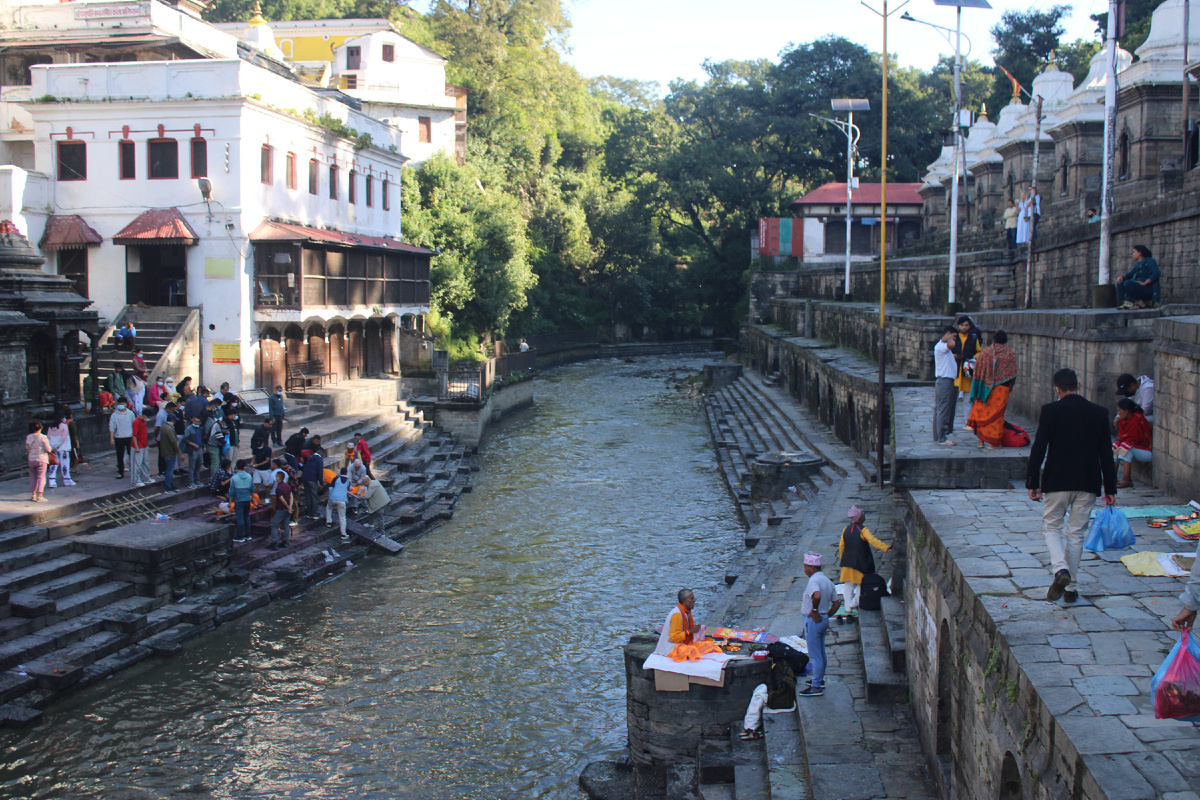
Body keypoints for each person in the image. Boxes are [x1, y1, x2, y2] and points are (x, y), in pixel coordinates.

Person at [1026, 368, 1118, 604]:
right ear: (1078, 386)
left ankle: (1060, 570)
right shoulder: (1099, 413)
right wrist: (1110, 489)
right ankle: (1071, 587)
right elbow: (1106, 455)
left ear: (1057, 389)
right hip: (1087, 481)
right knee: (1076, 534)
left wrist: (1032, 481)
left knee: (1051, 527)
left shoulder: (1050, 411)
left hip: (1057, 479)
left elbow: (1039, 448)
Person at [966, 330, 1019, 449]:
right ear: (1005, 341)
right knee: (997, 415)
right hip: (1002, 389)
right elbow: (1013, 374)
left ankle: (981, 442)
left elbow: (977, 372)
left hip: (984, 389)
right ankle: (993, 442)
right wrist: (1011, 387)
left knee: (982, 412)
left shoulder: (985, 353)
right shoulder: (1009, 354)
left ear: (993, 340)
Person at [799, 553, 840, 697]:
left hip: (813, 621)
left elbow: (816, 596)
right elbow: (836, 603)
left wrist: (815, 610)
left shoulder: (813, 581)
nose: (804, 571)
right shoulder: (827, 581)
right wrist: (826, 615)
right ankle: (819, 679)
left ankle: (816, 686)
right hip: (822, 620)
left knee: (815, 655)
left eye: (805, 567)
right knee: (821, 652)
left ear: (811, 567)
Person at [837, 505, 890, 618]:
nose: (864, 516)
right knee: (862, 584)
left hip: (847, 562)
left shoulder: (845, 529)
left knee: (848, 585)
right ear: (859, 517)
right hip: (860, 562)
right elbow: (873, 541)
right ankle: (853, 603)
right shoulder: (863, 530)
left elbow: (841, 545)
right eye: (863, 514)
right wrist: (885, 547)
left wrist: (843, 559)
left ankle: (847, 607)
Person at [740, 645, 797, 741]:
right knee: (760, 689)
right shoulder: (782, 666)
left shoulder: (784, 671)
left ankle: (750, 728)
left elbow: (783, 693)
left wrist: (769, 695)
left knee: (759, 697)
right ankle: (750, 727)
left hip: (781, 698)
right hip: (778, 692)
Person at [950, 315, 982, 425]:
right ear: (958, 326)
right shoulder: (954, 337)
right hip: (955, 371)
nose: (964, 327)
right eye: (962, 325)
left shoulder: (973, 338)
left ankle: (967, 422)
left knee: (968, 399)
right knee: (952, 401)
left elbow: (979, 351)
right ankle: (950, 423)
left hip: (967, 372)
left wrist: (973, 359)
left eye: (966, 325)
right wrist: (954, 356)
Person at [1113, 398, 1152, 489]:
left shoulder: (1136, 419)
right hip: (1134, 447)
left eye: (1119, 410)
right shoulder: (1123, 420)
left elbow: (1133, 439)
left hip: (1145, 451)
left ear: (1127, 411)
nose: (1118, 413)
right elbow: (1120, 438)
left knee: (1124, 447)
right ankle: (1112, 477)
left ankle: (1127, 479)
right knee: (1115, 445)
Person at [654, 589, 703, 655]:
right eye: (692, 598)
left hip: (680, 645)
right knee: (693, 651)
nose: (694, 600)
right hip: (670, 648)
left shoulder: (687, 612)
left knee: (710, 645)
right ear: (685, 601)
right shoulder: (677, 615)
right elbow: (673, 638)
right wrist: (690, 631)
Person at [933, 326, 959, 445]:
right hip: (945, 381)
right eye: (954, 336)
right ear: (948, 334)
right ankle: (941, 437)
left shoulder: (943, 348)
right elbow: (952, 344)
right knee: (943, 409)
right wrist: (949, 338)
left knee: (939, 409)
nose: (955, 339)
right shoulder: (941, 347)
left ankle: (938, 435)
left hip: (945, 381)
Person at [1116, 244, 1161, 309]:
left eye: (1134, 252)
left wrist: (1146, 282)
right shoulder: (1138, 265)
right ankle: (1127, 303)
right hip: (1138, 287)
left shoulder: (1149, 261)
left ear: (1139, 253)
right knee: (1120, 281)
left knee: (1127, 283)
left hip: (1147, 289)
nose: (1133, 254)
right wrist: (1122, 276)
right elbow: (1130, 274)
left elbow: (1156, 273)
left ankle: (1138, 302)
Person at [108, 398, 135, 479]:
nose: (121, 405)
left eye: (122, 404)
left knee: (132, 455)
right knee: (119, 455)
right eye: (120, 404)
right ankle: (121, 472)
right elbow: (112, 426)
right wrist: (111, 438)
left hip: (129, 437)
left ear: (126, 404)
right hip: (119, 437)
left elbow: (134, 425)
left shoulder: (130, 414)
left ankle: (134, 470)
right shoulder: (114, 415)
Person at [45, 412, 74, 488]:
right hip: (63, 448)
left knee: (53, 464)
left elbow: (48, 438)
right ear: (62, 418)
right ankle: (67, 480)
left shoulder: (50, 427)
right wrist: (57, 445)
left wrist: (53, 446)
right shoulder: (64, 426)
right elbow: (63, 438)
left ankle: (52, 481)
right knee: (65, 464)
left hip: (53, 449)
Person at [26, 421, 52, 503]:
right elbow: (48, 449)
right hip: (41, 459)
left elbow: (27, 448)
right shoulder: (43, 437)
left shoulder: (29, 437)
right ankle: (40, 496)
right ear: (40, 428)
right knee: (41, 477)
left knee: (32, 477)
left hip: (31, 459)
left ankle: (33, 495)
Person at [230, 460, 254, 543]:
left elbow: (231, 492)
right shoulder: (249, 476)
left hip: (239, 500)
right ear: (244, 467)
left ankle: (240, 536)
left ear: (236, 467)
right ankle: (248, 535)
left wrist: (230, 503)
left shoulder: (234, 478)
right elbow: (252, 488)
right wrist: (253, 498)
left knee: (240, 518)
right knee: (246, 517)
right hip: (247, 499)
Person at [301, 435, 324, 519]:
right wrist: (321, 483)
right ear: (320, 453)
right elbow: (320, 472)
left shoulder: (310, 457)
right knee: (314, 496)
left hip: (305, 478)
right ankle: (315, 514)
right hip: (312, 479)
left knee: (308, 496)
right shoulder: (319, 460)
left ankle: (309, 513)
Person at [268, 469, 292, 551]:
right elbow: (291, 496)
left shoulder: (278, 488)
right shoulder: (287, 486)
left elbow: (282, 499)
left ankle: (274, 542)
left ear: (278, 478)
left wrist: (288, 507)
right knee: (286, 525)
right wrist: (290, 507)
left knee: (274, 525)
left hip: (281, 509)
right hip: (287, 509)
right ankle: (285, 541)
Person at [327, 465, 352, 542]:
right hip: (342, 500)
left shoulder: (335, 478)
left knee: (329, 507)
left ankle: (328, 522)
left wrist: (330, 496)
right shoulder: (348, 480)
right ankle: (343, 534)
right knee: (342, 516)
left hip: (333, 497)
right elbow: (350, 489)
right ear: (346, 473)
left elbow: (330, 488)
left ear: (340, 472)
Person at [159, 412, 180, 493]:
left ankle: (171, 484)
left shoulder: (164, 426)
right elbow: (173, 441)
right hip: (170, 452)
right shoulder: (170, 429)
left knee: (169, 469)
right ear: (172, 420)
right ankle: (168, 487)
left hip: (165, 451)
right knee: (169, 470)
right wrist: (179, 452)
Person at [130, 407, 152, 487]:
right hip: (138, 445)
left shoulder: (143, 422)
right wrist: (136, 447)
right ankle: (136, 480)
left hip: (144, 445)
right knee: (137, 464)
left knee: (145, 462)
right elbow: (134, 435)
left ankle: (146, 477)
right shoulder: (136, 422)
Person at [183, 416, 205, 488]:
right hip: (192, 450)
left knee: (198, 465)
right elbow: (186, 439)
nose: (196, 423)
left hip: (199, 448)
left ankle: (197, 480)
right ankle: (191, 481)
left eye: (197, 422)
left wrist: (203, 446)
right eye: (195, 421)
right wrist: (193, 445)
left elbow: (202, 438)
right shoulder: (189, 429)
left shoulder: (200, 429)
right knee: (192, 466)